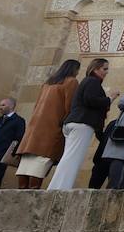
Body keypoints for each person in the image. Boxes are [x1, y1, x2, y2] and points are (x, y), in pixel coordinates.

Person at [47, 58, 116, 191]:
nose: (106, 72)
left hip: (74, 123)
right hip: (82, 124)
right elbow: (90, 100)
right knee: (73, 159)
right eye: (104, 69)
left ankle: (56, 187)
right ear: (96, 69)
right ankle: (61, 189)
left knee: (69, 157)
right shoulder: (92, 81)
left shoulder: (88, 81)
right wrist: (110, 98)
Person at [15, 60, 80, 189]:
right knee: (40, 164)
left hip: (34, 129)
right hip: (51, 128)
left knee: (25, 167)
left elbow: (37, 105)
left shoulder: (48, 83)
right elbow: (70, 105)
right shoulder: (71, 81)